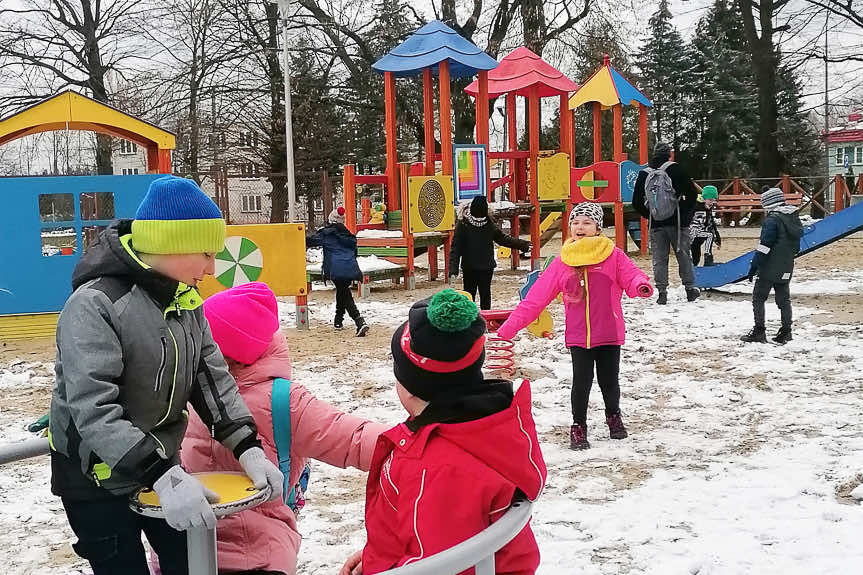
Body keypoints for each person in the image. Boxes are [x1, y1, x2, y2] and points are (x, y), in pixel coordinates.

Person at [48, 175, 283, 575]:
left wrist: (247, 446)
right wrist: (162, 475)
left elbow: (210, 381)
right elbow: (93, 407)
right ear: (171, 244)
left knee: (187, 564)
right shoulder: (95, 304)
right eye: (206, 254)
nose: (212, 269)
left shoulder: (186, 301)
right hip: (95, 479)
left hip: (161, 467)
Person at [172, 282, 386, 575]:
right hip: (241, 552)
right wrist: (416, 442)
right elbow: (357, 440)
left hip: (203, 552)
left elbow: (353, 438)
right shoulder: (279, 400)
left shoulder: (183, 392)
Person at [340, 290, 547, 575]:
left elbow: (436, 564)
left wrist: (382, 569)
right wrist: (375, 556)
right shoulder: (497, 429)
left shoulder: (432, 469)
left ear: (411, 388)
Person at [496, 203, 654, 450]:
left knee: (609, 380)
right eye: (576, 222)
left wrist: (640, 286)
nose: (580, 227)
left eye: (587, 223)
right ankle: (578, 427)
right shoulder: (562, 261)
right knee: (581, 381)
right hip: (579, 336)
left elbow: (632, 275)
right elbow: (535, 300)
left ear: (598, 228)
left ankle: (614, 416)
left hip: (609, 332)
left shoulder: (612, 255)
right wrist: (508, 328)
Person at [633, 141, 700, 304]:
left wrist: (650, 214)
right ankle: (690, 289)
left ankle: (662, 293)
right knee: (683, 255)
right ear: (669, 154)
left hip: (656, 224)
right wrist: (684, 214)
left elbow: (636, 202)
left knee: (659, 258)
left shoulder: (644, 174)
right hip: (677, 222)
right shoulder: (676, 169)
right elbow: (692, 194)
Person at [740, 188, 803, 345]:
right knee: (784, 300)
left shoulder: (772, 220)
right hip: (786, 265)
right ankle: (786, 332)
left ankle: (759, 331)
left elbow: (765, 246)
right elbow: (797, 248)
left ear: (769, 204)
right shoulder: (793, 218)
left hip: (769, 267)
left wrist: (754, 266)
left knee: (758, 298)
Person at [449, 195, 531, 310]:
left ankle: (486, 320)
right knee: (468, 295)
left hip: (486, 267)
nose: (479, 220)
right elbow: (455, 249)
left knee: (485, 295)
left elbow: (503, 239)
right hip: (469, 267)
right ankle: (469, 322)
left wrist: (524, 245)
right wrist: (453, 270)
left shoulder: (489, 224)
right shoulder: (463, 225)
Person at [307, 206, 369, 336]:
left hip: (336, 268)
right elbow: (355, 252)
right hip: (351, 267)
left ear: (331, 220)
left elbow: (311, 241)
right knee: (342, 291)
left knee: (344, 293)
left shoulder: (327, 234)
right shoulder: (349, 235)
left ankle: (359, 321)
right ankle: (338, 320)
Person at [690, 185, 722, 266]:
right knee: (709, 235)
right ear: (704, 199)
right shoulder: (695, 206)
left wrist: (717, 238)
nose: (712, 203)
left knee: (696, 256)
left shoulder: (708, 209)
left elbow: (712, 223)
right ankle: (708, 258)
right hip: (692, 233)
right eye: (710, 200)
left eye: (714, 201)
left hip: (699, 235)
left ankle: (695, 265)